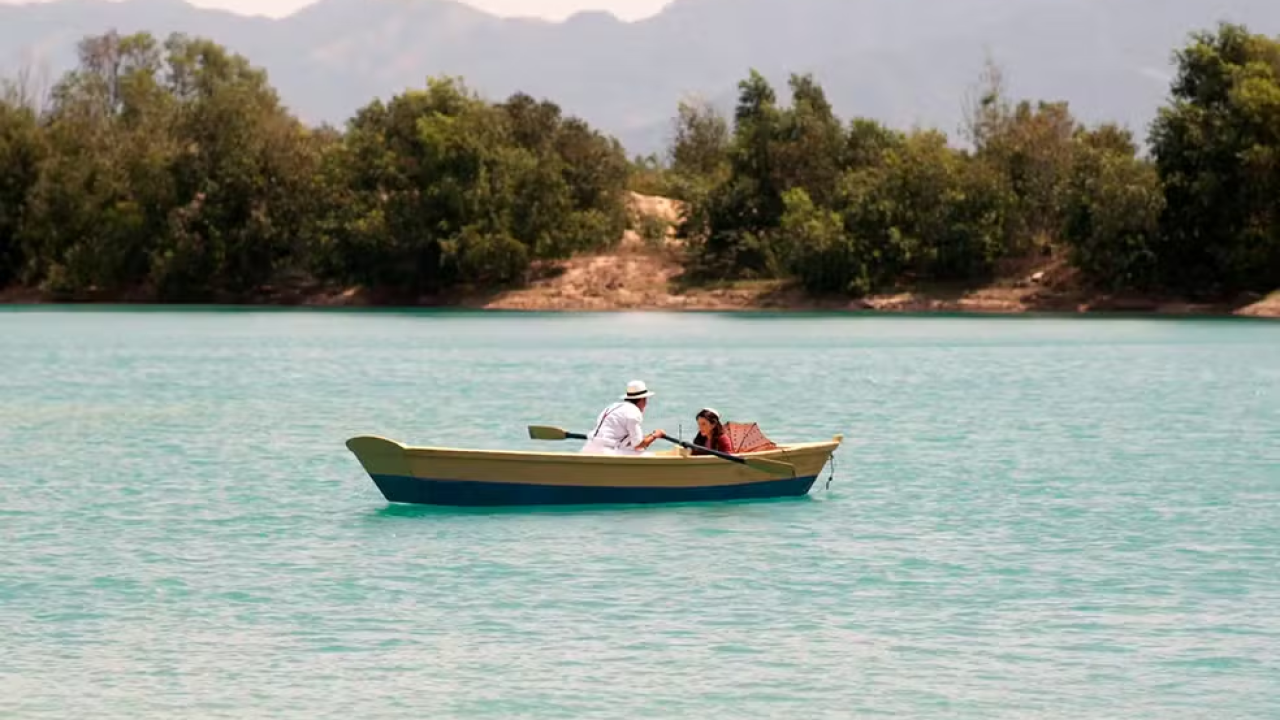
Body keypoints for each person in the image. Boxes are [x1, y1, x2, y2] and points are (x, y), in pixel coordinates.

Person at [579, 380, 666, 455]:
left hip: (587, 448)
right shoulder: (634, 412)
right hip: (606, 452)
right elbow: (638, 446)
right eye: (646, 400)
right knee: (647, 455)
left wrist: (648, 437)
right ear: (643, 400)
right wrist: (655, 435)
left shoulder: (612, 406)